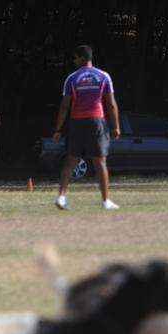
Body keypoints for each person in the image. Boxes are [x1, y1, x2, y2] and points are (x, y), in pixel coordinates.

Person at [52, 44, 120, 210]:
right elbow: (111, 104)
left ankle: (61, 197)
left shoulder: (72, 78)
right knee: (100, 162)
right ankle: (106, 201)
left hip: (77, 122)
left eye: (75, 58)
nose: (74, 61)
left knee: (71, 160)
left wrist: (58, 129)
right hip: (97, 121)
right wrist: (115, 126)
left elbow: (64, 107)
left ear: (82, 58)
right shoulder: (104, 76)